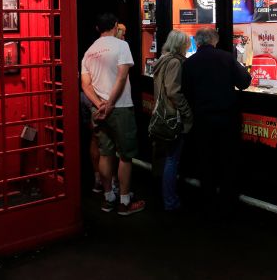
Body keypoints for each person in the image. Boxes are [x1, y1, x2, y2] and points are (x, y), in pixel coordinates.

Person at [181, 27, 251, 216]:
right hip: (227, 119)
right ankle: (228, 203)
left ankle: (208, 202)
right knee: (228, 160)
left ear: (199, 42)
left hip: (202, 119)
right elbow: (244, 82)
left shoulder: (189, 63)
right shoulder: (227, 57)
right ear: (214, 41)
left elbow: (185, 92)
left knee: (206, 160)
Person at [81, 13, 145, 215]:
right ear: (115, 26)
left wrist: (99, 104)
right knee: (126, 156)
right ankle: (125, 202)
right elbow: (122, 76)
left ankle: (108, 198)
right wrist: (109, 104)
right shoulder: (121, 46)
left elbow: (85, 84)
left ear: (97, 29)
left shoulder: (89, 51)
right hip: (120, 107)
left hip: (97, 109)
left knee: (106, 153)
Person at [151, 30, 193, 211]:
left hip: (160, 116)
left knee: (163, 158)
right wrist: (187, 111)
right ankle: (170, 201)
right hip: (172, 117)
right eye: (186, 43)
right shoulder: (175, 62)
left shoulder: (163, 59)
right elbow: (173, 91)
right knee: (172, 160)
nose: (188, 46)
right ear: (180, 45)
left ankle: (161, 196)